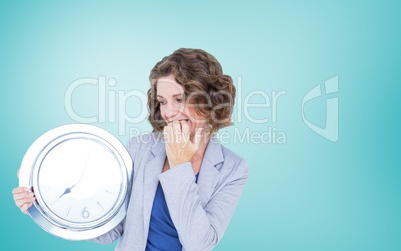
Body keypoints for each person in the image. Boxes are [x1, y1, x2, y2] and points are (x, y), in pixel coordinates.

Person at [12, 48, 249, 251]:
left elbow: (200, 244)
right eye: (163, 101)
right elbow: (109, 230)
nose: (168, 112)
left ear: (209, 100)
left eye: (180, 98)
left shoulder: (233, 169)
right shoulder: (140, 148)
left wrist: (179, 167)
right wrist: (43, 202)